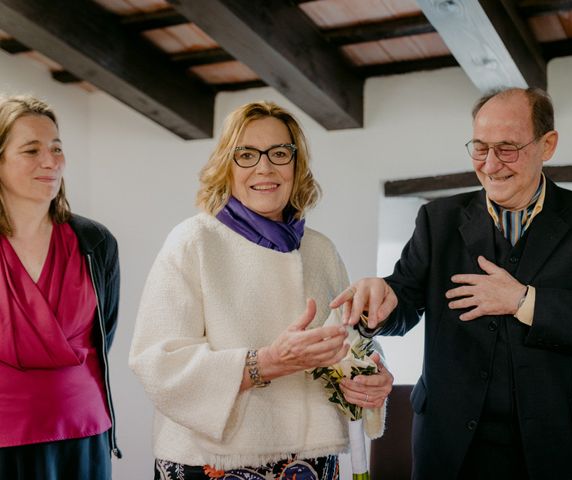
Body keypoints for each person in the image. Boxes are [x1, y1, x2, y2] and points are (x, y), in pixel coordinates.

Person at [332, 87, 572, 480]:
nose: (491, 165)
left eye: (508, 148)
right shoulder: (437, 220)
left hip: (561, 444)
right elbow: (403, 299)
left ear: (548, 145)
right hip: (450, 448)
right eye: (480, 148)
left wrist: (524, 301)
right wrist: (380, 302)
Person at [129, 101, 392, 480]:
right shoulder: (193, 241)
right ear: (227, 166)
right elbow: (157, 362)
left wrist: (370, 374)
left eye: (279, 153)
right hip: (213, 462)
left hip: (310, 461)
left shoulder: (319, 249)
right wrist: (268, 361)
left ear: (296, 164)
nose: (264, 167)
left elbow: (347, 340)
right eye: (247, 154)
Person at [0, 95, 121, 479]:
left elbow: (105, 334)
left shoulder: (95, 241)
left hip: (83, 435)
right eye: (31, 149)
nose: (51, 161)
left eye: (56, 148)